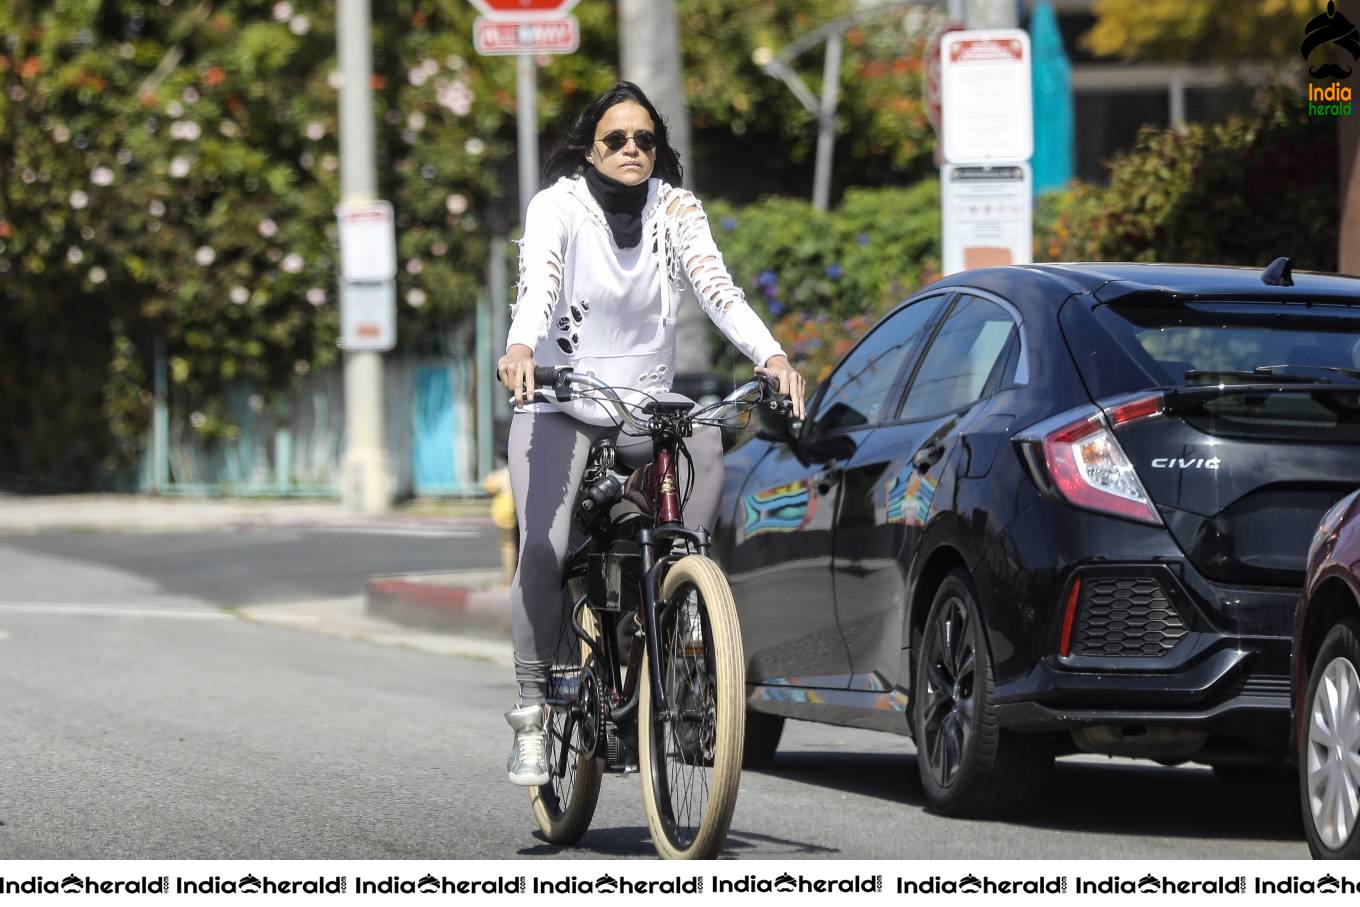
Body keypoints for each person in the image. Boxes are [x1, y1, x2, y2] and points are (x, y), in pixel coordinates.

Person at [495, 81, 806, 786]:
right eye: (617, 140)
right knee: (541, 549)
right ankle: (533, 710)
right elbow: (538, 288)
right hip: (561, 401)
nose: (632, 150)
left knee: (698, 479)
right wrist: (521, 349)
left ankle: (661, 628)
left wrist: (772, 355)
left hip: (645, 403)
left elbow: (719, 289)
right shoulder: (559, 206)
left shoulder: (676, 208)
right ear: (589, 148)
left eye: (645, 140)